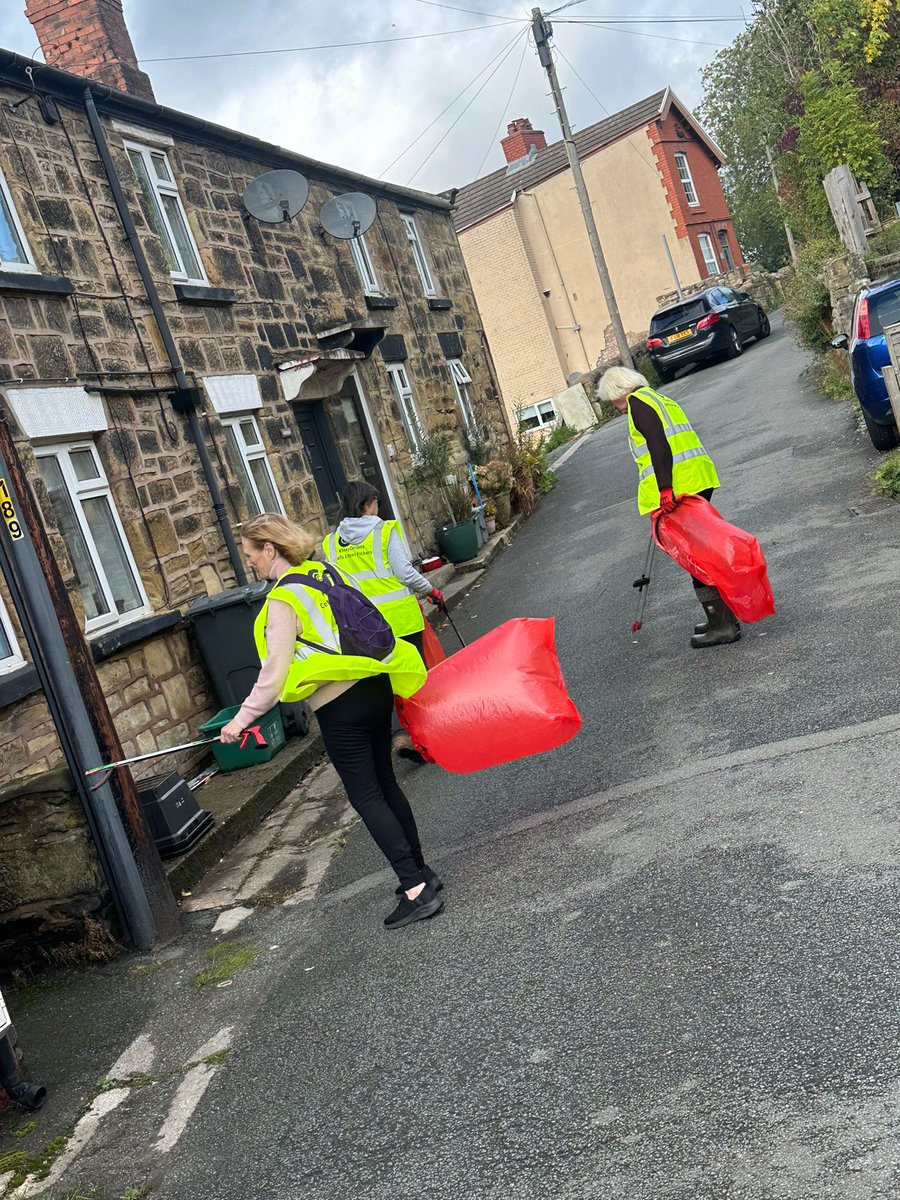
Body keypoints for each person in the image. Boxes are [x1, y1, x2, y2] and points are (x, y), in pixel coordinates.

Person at [219, 513, 444, 930]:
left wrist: (240, 720)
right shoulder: (325, 570)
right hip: (375, 688)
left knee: (367, 796)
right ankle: (422, 872)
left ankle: (416, 889)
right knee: (386, 784)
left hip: (341, 709)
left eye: (250, 553)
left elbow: (273, 676)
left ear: (270, 549)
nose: (248, 561)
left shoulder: (283, 601)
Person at [596, 366, 740, 648]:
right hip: (698, 478)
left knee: (695, 557)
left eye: (611, 401)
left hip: (680, 487)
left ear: (618, 392)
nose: (615, 408)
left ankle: (722, 625)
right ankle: (722, 617)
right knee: (702, 552)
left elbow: (659, 447)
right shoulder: (657, 398)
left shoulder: (638, 404)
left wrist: (664, 491)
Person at [322, 481, 444, 760]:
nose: (378, 507)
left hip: (364, 628)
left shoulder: (330, 543)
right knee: (413, 677)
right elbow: (404, 573)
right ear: (367, 504)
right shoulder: (384, 530)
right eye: (375, 501)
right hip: (400, 619)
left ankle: (399, 736)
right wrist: (431, 590)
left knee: (384, 682)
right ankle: (426, 736)